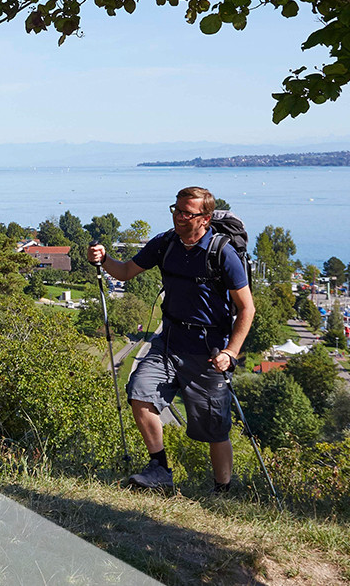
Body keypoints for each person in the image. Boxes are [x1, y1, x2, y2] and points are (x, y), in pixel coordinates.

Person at [87, 186, 255, 494]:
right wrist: (103, 259)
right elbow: (124, 272)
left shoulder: (222, 253)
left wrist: (231, 352)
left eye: (186, 213)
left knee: (215, 429)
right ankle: (159, 469)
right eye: (175, 210)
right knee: (139, 392)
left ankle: (223, 492)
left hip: (208, 351)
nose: (178, 217)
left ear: (204, 218)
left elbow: (247, 308)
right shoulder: (166, 244)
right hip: (168, 342)